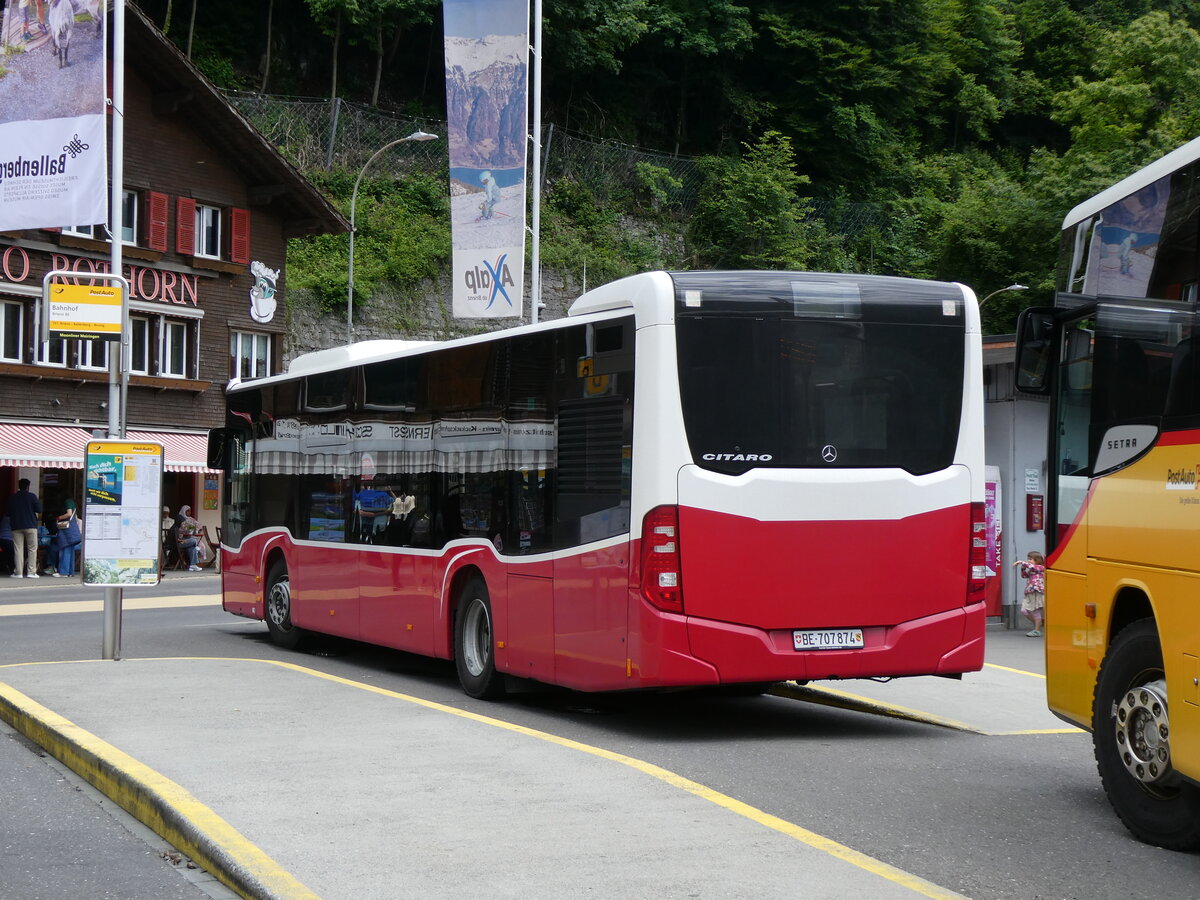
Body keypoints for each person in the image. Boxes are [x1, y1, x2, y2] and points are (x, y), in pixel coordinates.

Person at [6, 478, 42, 578]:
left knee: (18, 549)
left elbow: (8, 513)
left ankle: (18, 573)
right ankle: (31, 572)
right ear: (28, 487)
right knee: (32, 549)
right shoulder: (32, 496)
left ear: (19, 486)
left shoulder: (13, 498)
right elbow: (39, 510)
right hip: (31, 526)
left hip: (16, 526)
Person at [1013, 551, 1046, 636]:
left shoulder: (1041, 567)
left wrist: (1021, 562)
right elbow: (1024, 576)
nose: (1028, 560)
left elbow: (1032, 566)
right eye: (1028, 559)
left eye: (1031, 559)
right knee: (1024, 610)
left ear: (1037, 560)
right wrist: (1023, 568)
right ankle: (1038, 623)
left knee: (1035, 611)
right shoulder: (1032, 569)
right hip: (1029, 592)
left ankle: (1037, 630)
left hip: (1037, 591)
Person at [53, 500, 82, 577]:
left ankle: (63, 572)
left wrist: (59, 518)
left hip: (67, 531)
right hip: (72, 531)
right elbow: (74, 517)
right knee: (70, 551)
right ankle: (70, 572)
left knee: (64, 549)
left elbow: (69, 514)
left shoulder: (67, 502)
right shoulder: (73, 503)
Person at [173, 505, 202, 571]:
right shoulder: (176, 528)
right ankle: (193, 563)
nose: (183, 523)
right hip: (178, 543)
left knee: (192, 547)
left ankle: (192, 565)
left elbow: (196, 527)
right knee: (193, 541)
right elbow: (178, 539)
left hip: (182, 541)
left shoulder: (180, 526)